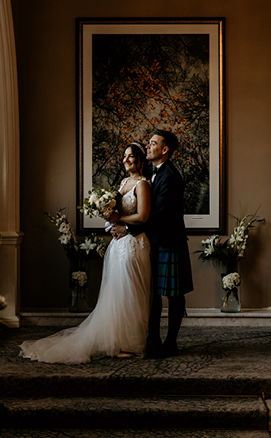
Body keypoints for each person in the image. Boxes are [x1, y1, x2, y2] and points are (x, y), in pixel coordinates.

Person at [20, 143, 152, 364]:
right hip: (118, 244)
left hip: (134, 244)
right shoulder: (123, 183)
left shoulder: (143, 184)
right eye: (124, 156)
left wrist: (119, 221)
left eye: (131, 156)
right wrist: (108, 217)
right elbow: (116, 212)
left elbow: (143, 217)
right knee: (116, 293)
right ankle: (116, 339)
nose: (126, 160)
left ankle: (131, 342)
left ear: (140, 160)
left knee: (132, 291)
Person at [136, 130, 193, 358]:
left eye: (152, 143)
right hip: (157, 241)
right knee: (154, 294)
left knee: (174, 294)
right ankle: (154, 339)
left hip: (170, 241)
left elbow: (157, 215)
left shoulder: (170, 176)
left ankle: (170, 342)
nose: (148, 147)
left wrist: (130, 227)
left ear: (165, 150)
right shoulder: (152, 172)